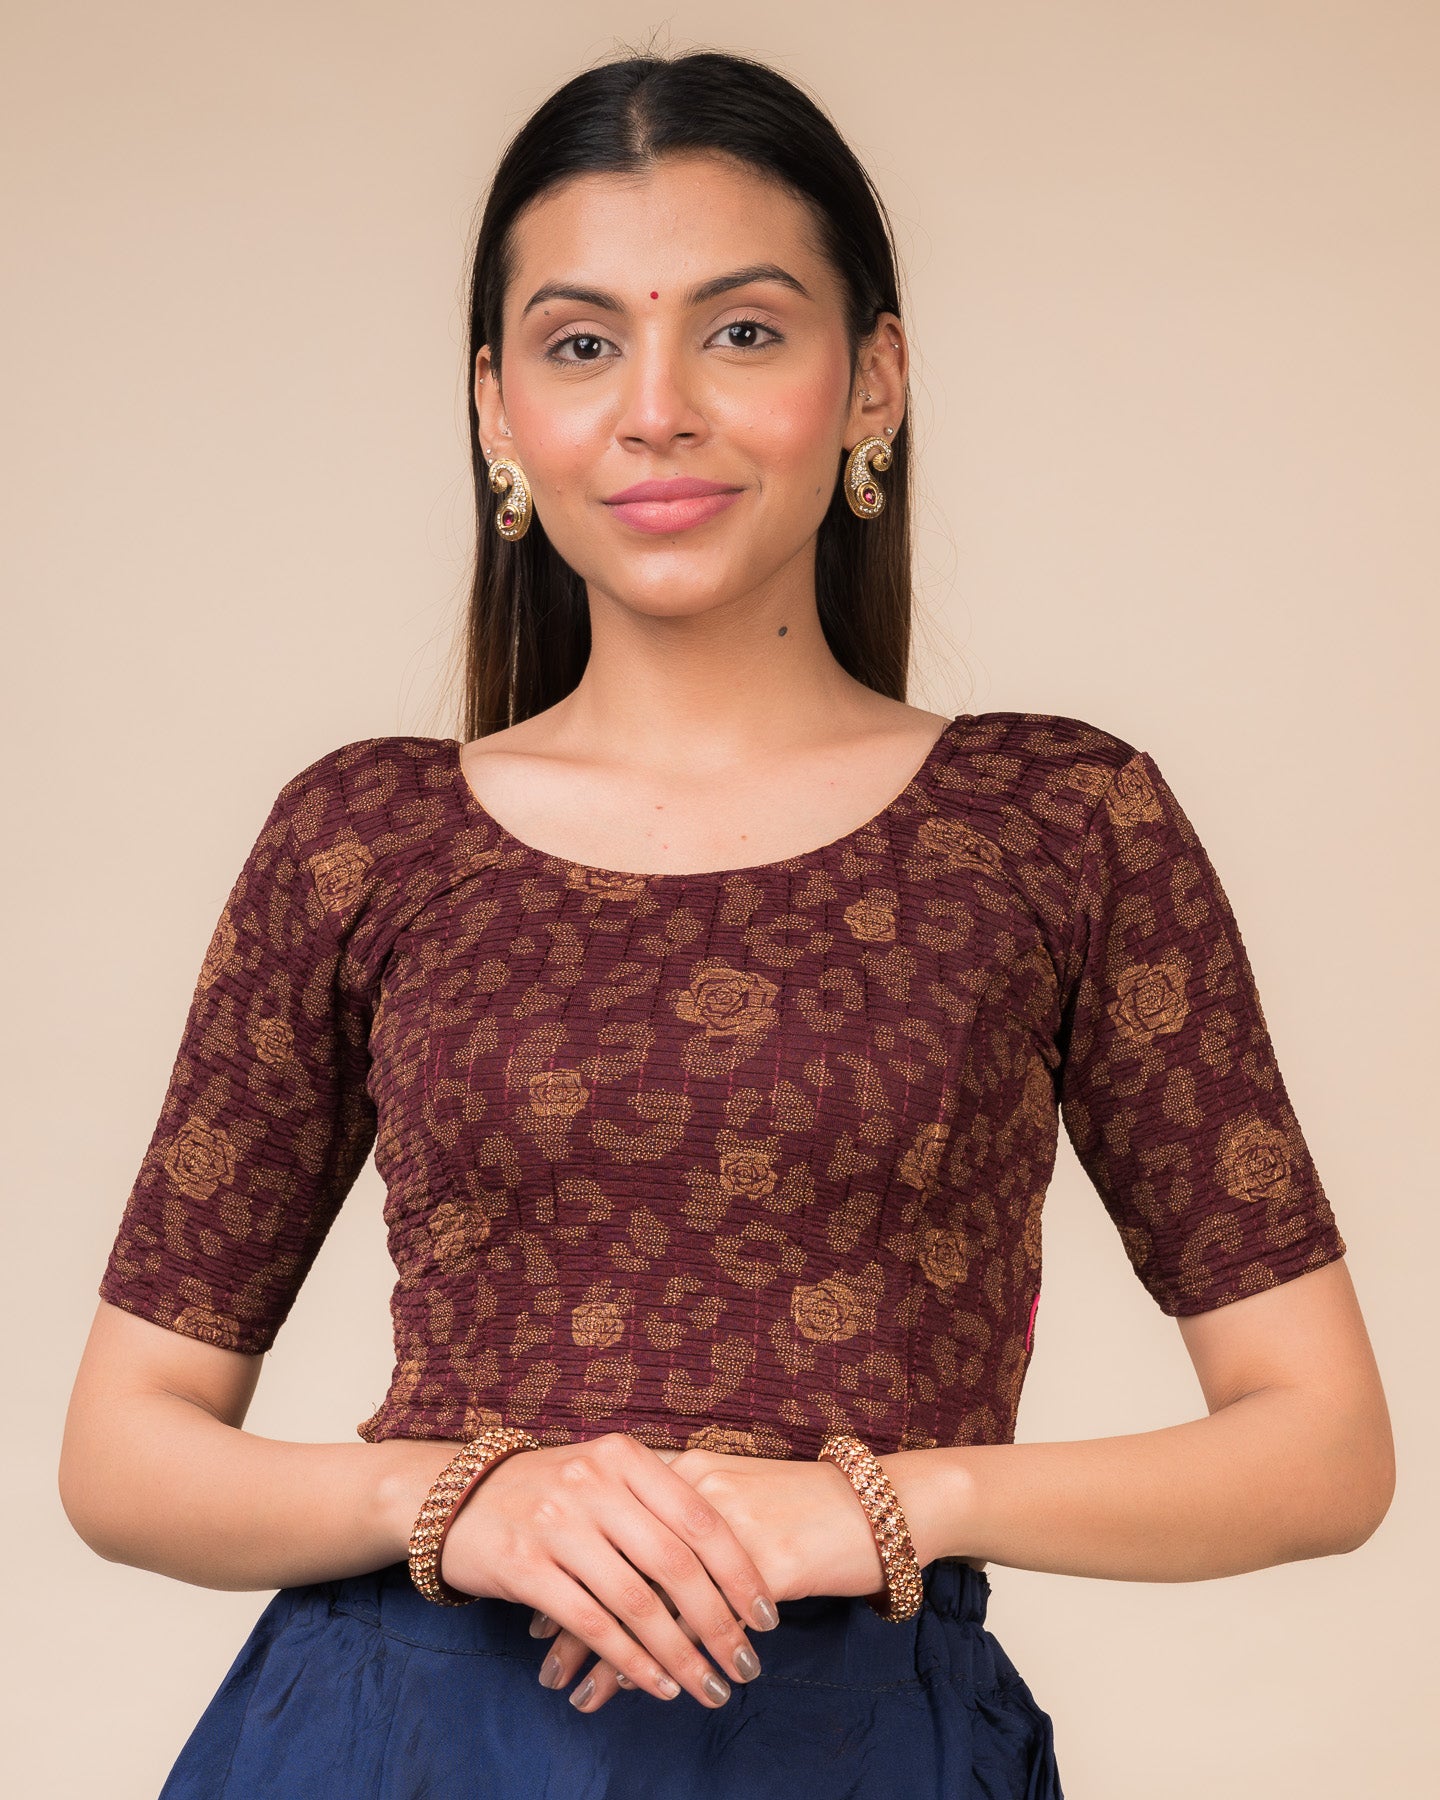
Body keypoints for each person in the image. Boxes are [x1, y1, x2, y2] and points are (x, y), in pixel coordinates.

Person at [59, 46, 1394, 1800]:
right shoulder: (363, 834)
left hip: (856, 1743)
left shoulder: (1060, 820)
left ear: (874, 384)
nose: (657, 407)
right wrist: (460, 1498)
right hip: (388, 1739)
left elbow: (1323, 1449)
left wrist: (881, 1505)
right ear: (496, 411)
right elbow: (121, 1451)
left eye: (745, 331)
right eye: (582, 341)